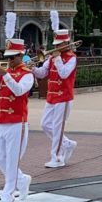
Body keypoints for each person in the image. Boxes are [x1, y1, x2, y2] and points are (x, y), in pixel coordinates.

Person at [0, 36, 34, 202]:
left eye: (12, 57)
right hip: (1, 120)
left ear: (21, 55)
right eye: (8, 57)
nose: (9, 60)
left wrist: (5, 75)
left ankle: (8, 194)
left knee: (12, 160)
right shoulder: (5, 73)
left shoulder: (27, 74)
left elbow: (19, 91)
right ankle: (22, 180)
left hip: (17, 122)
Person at [32, 19, 78, 169]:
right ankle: (66, 143)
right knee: (45, 124)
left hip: (64, 97)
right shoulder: (51, 58)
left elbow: (64, 74)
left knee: (57, 127)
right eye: (55, 45)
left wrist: (57, 58)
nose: (56, 47)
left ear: (66, 43)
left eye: (59, 45)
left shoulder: (72, 58)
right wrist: (32, 69)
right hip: (52, 96)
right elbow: (42, 73)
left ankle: (57, 158)